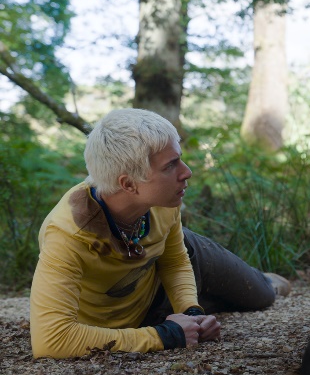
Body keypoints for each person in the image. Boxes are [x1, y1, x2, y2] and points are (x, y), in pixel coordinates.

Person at [30, 108, 291, 358]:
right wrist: (165, 336)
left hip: (162, 284)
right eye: (171, 165)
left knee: (262, 296)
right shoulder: (67, 234)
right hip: (139, 318)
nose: (186, 172)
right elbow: (51, 340)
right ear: (129, 183)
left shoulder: (164, 203)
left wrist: (189, 312)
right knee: (230, 302)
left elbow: (175, 259)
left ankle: (265, 282)